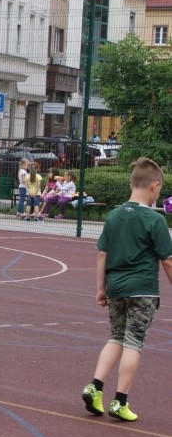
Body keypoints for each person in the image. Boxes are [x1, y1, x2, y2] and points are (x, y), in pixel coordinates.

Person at [81, 157, 172, 421]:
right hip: (142, 290)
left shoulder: (114, 216)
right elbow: (166, 260)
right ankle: (120, 401)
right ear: (154, 187)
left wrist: (101, 289)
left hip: (116, 289)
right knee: (134, 342)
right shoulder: (155, 221)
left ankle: (95, 385)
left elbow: (102, 255)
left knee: (116, 337)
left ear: (132, 183)